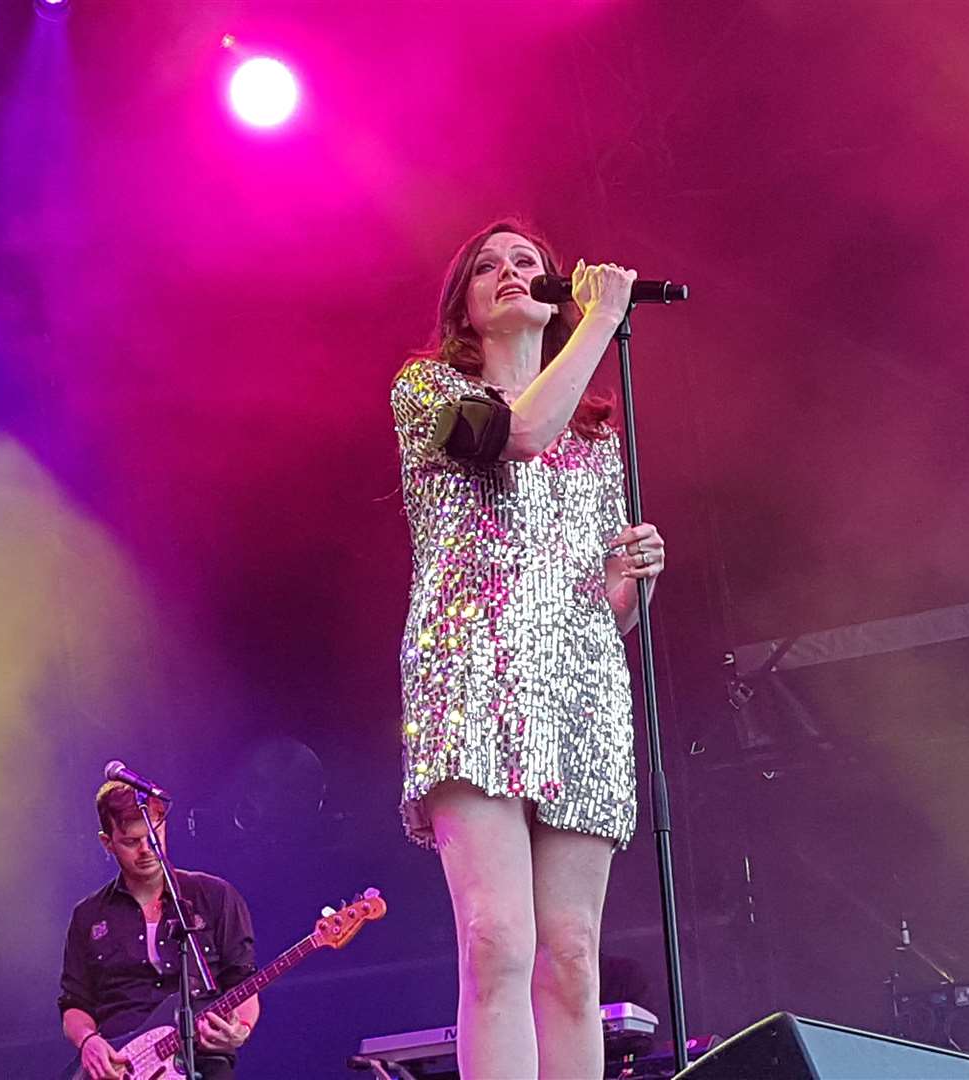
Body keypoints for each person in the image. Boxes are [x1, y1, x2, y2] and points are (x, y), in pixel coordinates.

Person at [391, 219, 667, 1078]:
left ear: (549, 294)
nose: (510, 272)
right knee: (497, 938)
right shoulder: (428, 393)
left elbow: (600, 608)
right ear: (464, 308)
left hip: (582, 695)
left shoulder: (598, 446)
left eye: (527, 263)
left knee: (574, 955)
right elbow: (518, 434)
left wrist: (636, 587)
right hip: (469, 675)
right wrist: (599, 320)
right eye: (489, 265)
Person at [58, 780, 260, 1079]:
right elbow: (74, 1003)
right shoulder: (88, 915)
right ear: (107, 842)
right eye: (131, 842)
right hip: (121, 1065)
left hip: (201, 1059)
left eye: (154, 837)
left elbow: (242, 981)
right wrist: (88, 1041)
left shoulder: (215, 896)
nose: (146, 850)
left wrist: (239, 1030)